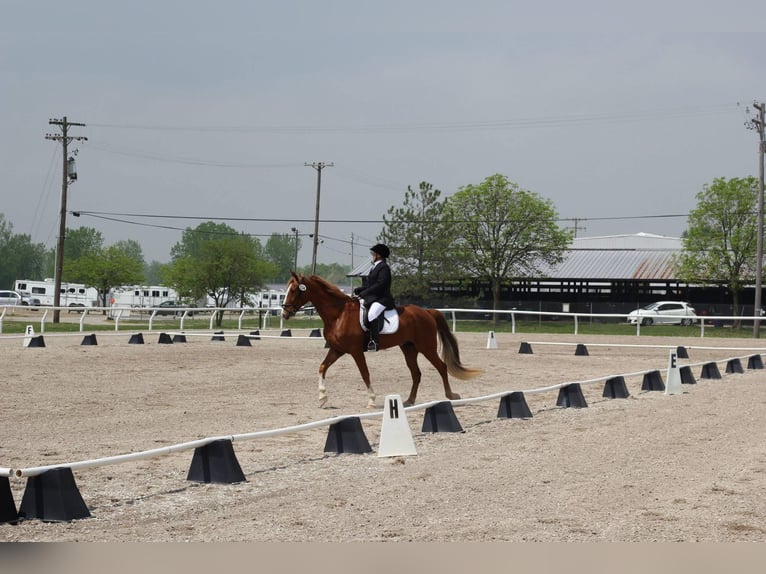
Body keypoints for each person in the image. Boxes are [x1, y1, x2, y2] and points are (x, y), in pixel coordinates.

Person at [353, 243, 395, 351]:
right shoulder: (375, 267)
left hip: (382, 299)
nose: (372, 255)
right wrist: (361, 289)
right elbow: (371, 284)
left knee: (372, 314)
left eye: (373, 253)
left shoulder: (384, 268)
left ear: (379, 255)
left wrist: (364, 293)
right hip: (374, 298)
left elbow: (380, 284)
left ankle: (374, 342)